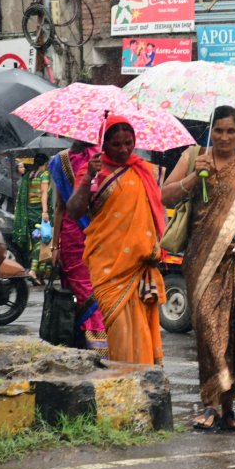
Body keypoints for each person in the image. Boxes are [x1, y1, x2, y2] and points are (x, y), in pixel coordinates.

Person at [161, 106, 235, 431]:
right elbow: (162, 197)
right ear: (210, 131)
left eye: (231, 131)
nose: (224, 137)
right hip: (203, 261)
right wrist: (188, 179)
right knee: (210, 331)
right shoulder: (192, 157)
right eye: (219, 131)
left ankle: (227, 410)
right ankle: (209, 404)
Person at [67, 115, 166, 365]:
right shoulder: (92, 171)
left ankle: (143, 383)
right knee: (119, 328)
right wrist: (89, 176)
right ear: (104, 144)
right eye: (116, 144)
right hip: (107, 265)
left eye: (128, 142)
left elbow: (159, 209)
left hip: (140, 264)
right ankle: (123, 383)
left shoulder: (144, 170)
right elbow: (74, 211)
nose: (123, 149)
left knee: (141, 327)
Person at [48, 141, 108, 358]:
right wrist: (55, 245)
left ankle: (96, 345)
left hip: (98, 237)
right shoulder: (61, 161)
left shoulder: (102, 158)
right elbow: (60, 207)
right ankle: (92, 345)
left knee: (95, 293)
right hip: (74, 240)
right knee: (82, 292)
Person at [13, 152, 52, 284]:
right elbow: (44, 194)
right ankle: (34, 271)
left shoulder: (29, 176)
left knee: (36, 241)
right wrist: (45, 211)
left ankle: (38, 274)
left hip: (28, 213)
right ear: (45, 164)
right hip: (39, 213)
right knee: (41, 242)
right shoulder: (44, 175)